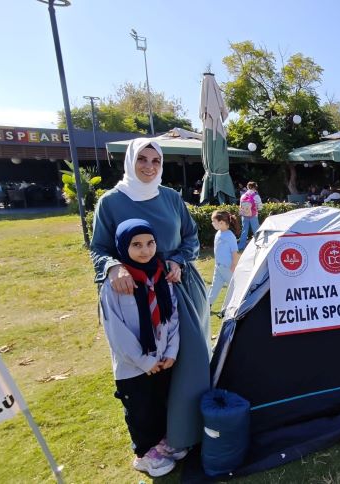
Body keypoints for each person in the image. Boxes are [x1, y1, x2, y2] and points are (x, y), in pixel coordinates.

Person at [90, 138, 209, 454]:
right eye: (142, 159)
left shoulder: (171, 197)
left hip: (177, 285)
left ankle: (187, 431)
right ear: (130, 161)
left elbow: (191, 238)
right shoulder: (110, 202)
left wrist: (178, 260)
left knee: (187, 362)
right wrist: (114, 267)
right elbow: (98, 248)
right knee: (146, 366)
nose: (149, 166)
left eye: (156, 161)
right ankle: (153, 437)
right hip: (134, 292)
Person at [100, 218, 183, 477]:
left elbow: (172, 318)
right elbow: (117, 333)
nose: (145, 250)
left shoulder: (161, 276)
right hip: (133, 367)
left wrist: (171, 352)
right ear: (123, 247)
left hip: (162, 359)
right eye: (136, 245)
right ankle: (145, 455)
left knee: (160, 403)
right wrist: (144, 361)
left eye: (150, 243)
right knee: (141, 410)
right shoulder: (115, 285)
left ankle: (162, 446)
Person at [208, 210, 240, 308]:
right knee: (214, 287)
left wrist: (233, 265)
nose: (212, 223)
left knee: (234, 287)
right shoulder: (218, 233)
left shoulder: (230, 236)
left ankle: (231, 307)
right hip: (219, 267)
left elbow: (235, 253)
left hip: (227, 268)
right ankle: (207, 305)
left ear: (221, 222)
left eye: (214, 221)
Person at [238, 181, 263, 251]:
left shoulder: (243, 195)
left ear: (247, 187)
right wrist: (257, 209)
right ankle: (258, 244)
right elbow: (260, 207)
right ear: (255, 187)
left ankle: (241, 246)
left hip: (244, 215)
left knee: (244, 230)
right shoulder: (256, 196)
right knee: (256, 230)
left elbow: (241, 206)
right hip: (253, 215)